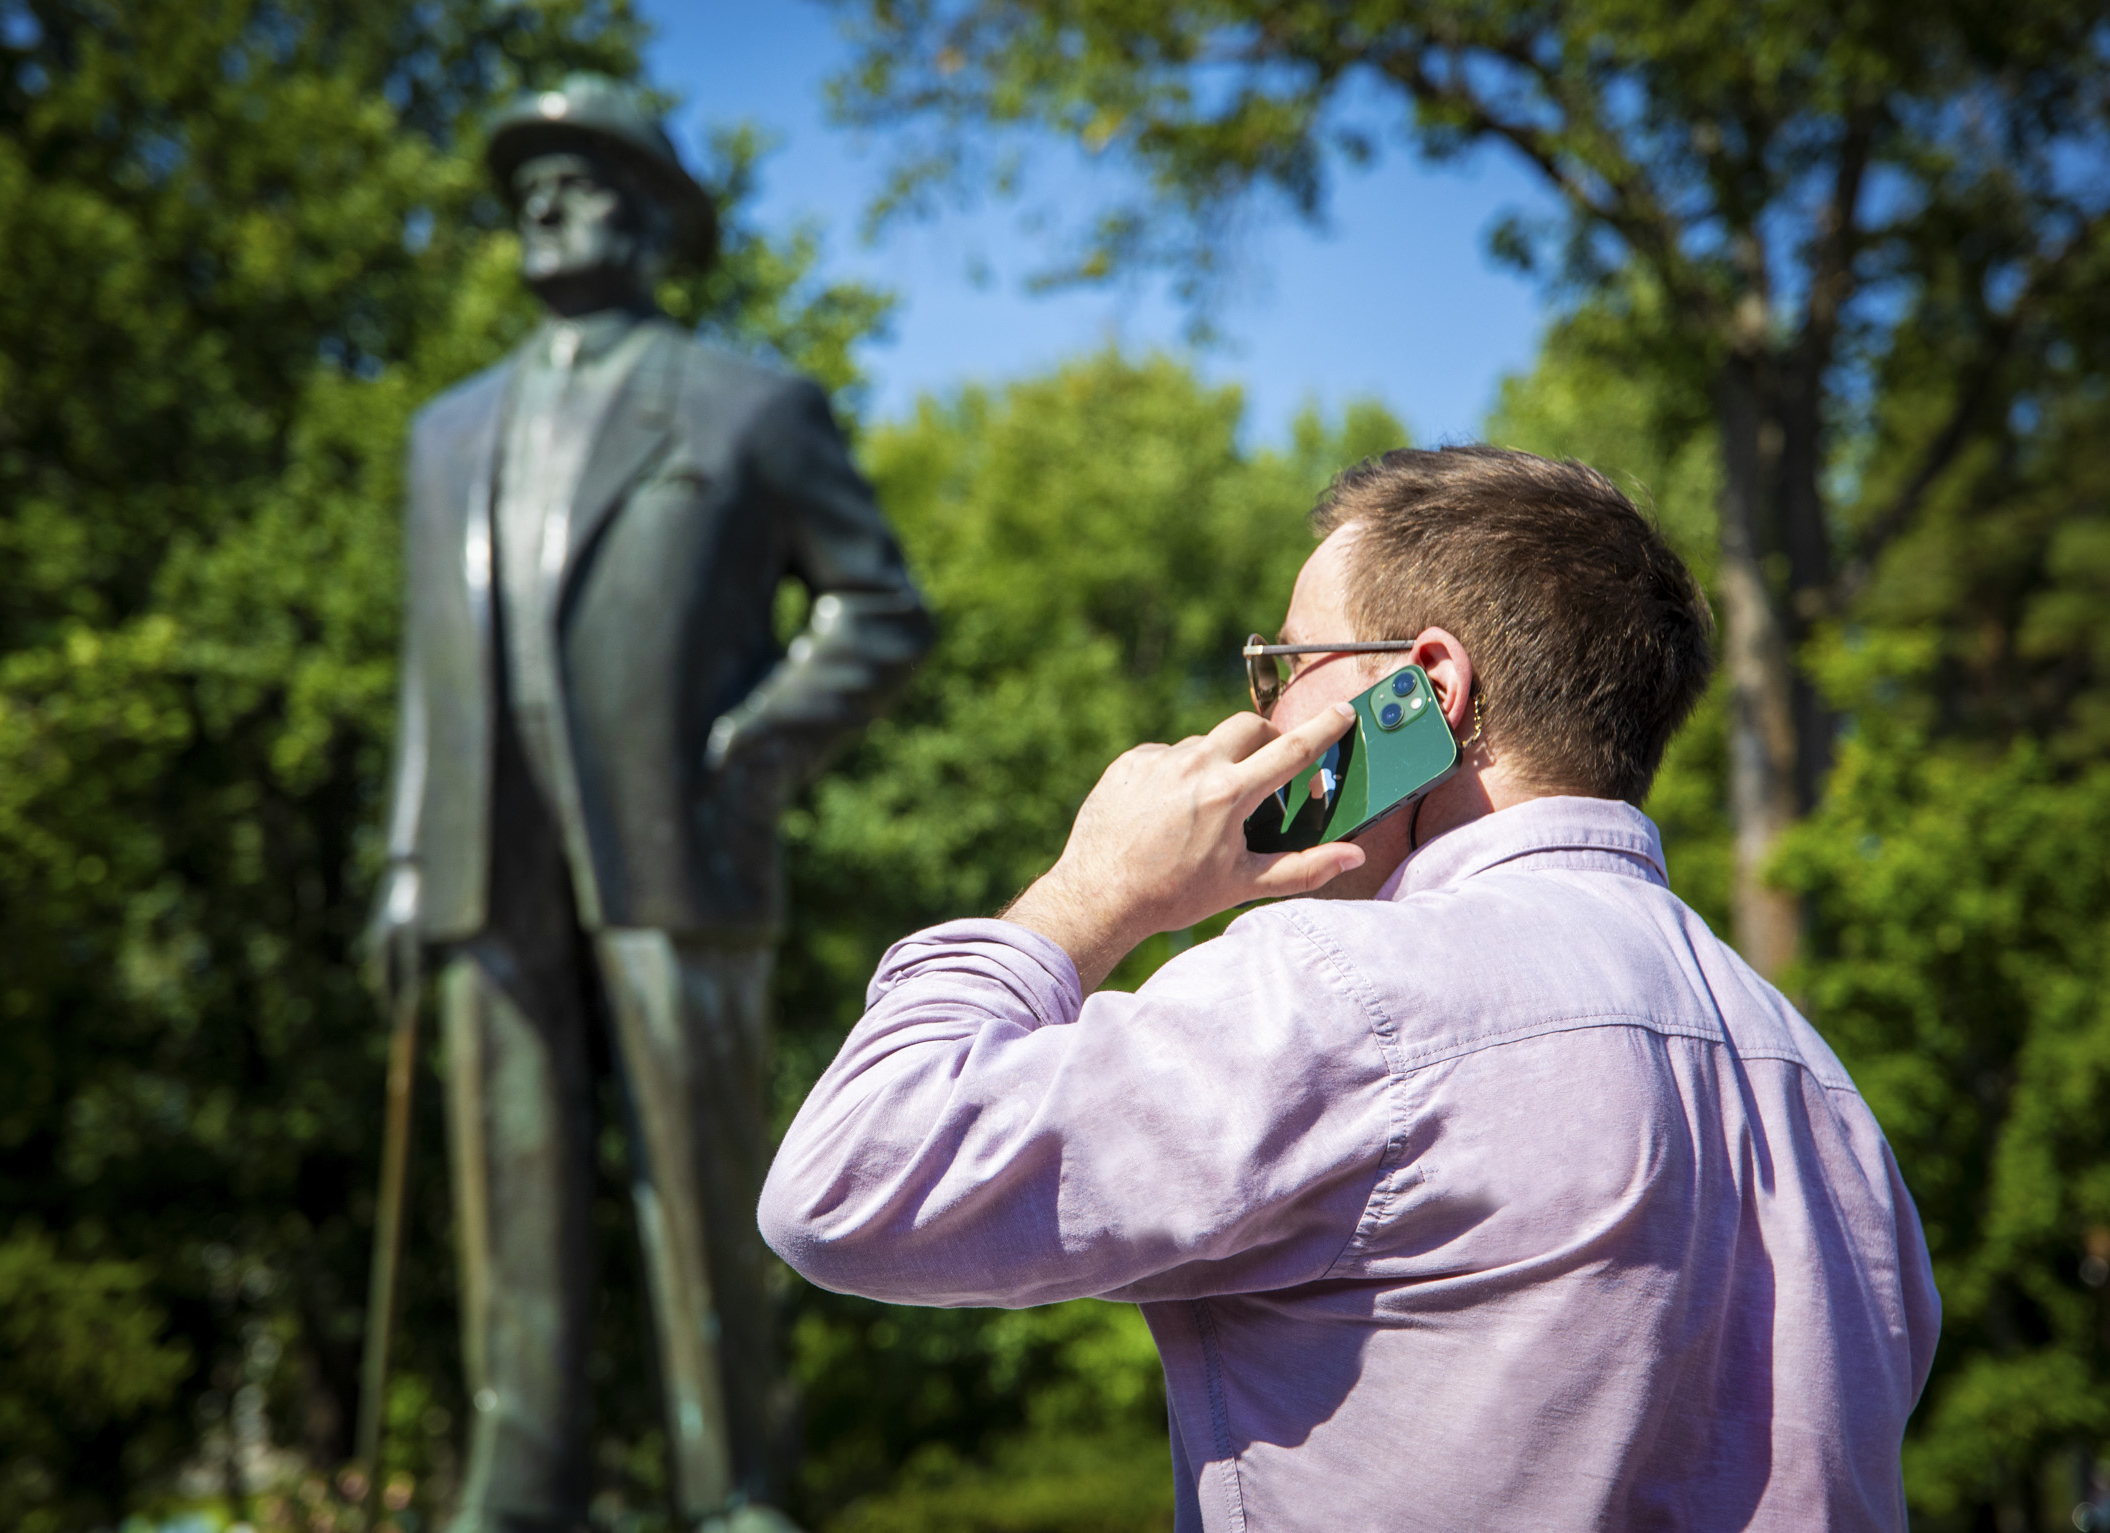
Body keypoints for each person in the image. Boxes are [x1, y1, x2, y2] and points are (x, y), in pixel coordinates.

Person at [757, 446, 1938, 1530]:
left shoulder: (1345, 996)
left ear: (1424, 689)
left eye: (1283, 667)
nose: (1259, 719)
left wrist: (1091, 893)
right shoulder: (1813, 1082)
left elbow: (846, 1182)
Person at [369, 73, 932, 1533]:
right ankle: (519, 1481)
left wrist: (753, 746)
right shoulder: (449, 433)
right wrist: (403, 863)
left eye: (584, 171)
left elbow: (879, 607)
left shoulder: (747, 405)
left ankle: (734, 1487)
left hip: (679, 848)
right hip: (488, 862)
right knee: (509, 1192)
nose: (547, 200)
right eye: (528, 182)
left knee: (701, 1191)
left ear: (652, 213)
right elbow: (436, 670)